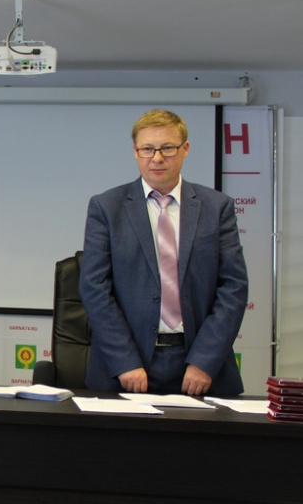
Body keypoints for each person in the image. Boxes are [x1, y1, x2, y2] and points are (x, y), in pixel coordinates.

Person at [79, 109, 248, 396]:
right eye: (147, 149)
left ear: (185, 149)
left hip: (198, 364)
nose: (157, 158)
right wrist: (125, 361)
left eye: (167, 148)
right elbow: (94, 288)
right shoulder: (107, 207)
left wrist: (204, 361)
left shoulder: (216, 207)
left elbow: (234, 287)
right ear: (135, 151)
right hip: (126, 366)